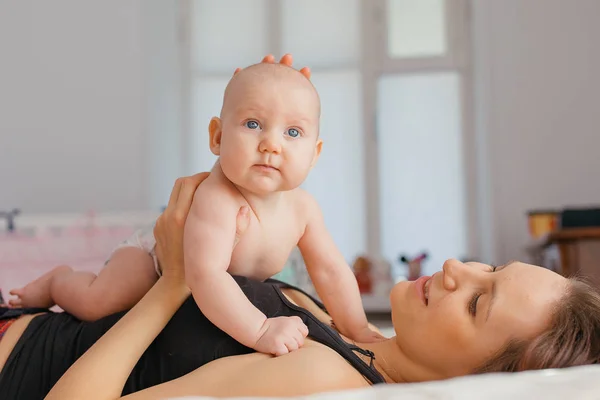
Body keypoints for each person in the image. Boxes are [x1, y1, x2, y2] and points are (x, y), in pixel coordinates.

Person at [2, 172, 600, 399]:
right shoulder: (355, 336)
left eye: (477, 302)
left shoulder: (324, 376)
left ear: (479, 381)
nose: (456, 268)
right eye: (489, 268)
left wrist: (175, 282)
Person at [8, 54, 381, 356]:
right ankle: (60, 281)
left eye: (293, 132)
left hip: (203, 286)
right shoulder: (217, 197)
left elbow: (331, 271)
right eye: (253, 124)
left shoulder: (304, 209)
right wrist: (260, 328)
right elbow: (206, 275)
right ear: (217, 137)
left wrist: (358, 327)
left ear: (314, 155)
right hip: (153, 260)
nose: (271, 144)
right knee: (97, 304)